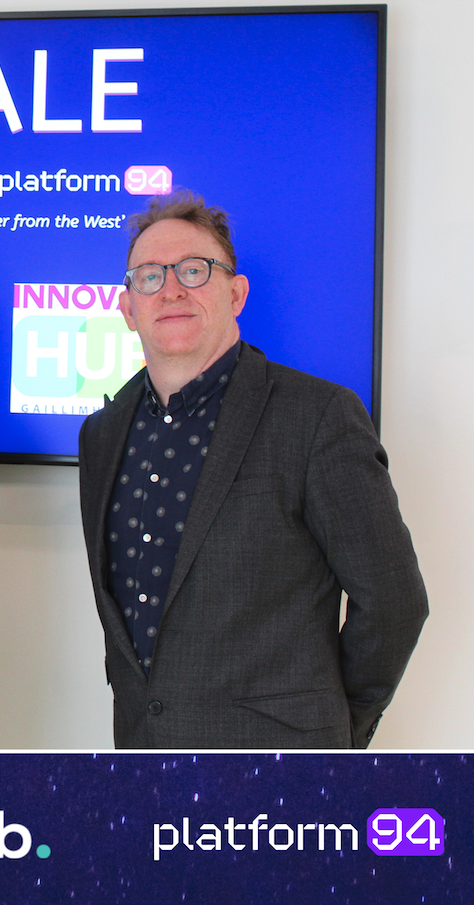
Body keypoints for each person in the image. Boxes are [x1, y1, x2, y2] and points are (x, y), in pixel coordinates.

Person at [78, 191, 427, 748]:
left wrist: (337, 731)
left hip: (278, 770)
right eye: (148, 276)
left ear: (235, 293)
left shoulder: (317, 417)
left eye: (194, 270)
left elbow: (393, 602)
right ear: (126, 308)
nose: (170, 289)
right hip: (142, 761)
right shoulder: (102, 434)